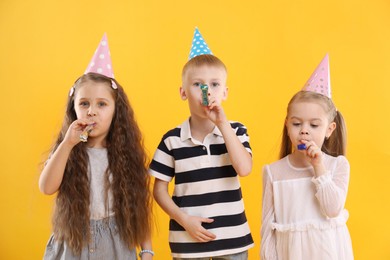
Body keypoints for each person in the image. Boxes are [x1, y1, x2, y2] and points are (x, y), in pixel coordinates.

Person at [39, 34, 154, 260]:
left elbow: (139, 205)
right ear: (74, 109)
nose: (92, 111)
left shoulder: (125, 156)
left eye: (102, 104)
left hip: (116, 244)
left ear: (115, 111)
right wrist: (67, 144)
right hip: (73, 243)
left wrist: (147, 251)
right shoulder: (67, 151)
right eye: (84, 104)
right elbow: (46, 187)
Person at [150, 28, 254, 259]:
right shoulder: (172, 140)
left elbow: (244, 169)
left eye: (215, 84)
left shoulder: (236, 130)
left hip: (232, 241)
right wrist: (183, 220)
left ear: (225, 92)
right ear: (183, 92)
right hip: (187, 243)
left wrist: (223, 124)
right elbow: (159, 190)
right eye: (198, 84)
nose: (207, 91)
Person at [260, 54, 354, 259]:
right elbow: (267, 229)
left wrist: (319, 167)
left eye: (314, 125)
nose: (304, 131)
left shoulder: (338, 165)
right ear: (287, 126)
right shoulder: (273, 172)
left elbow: (332, 209)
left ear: (329, 129)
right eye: (296, 124)